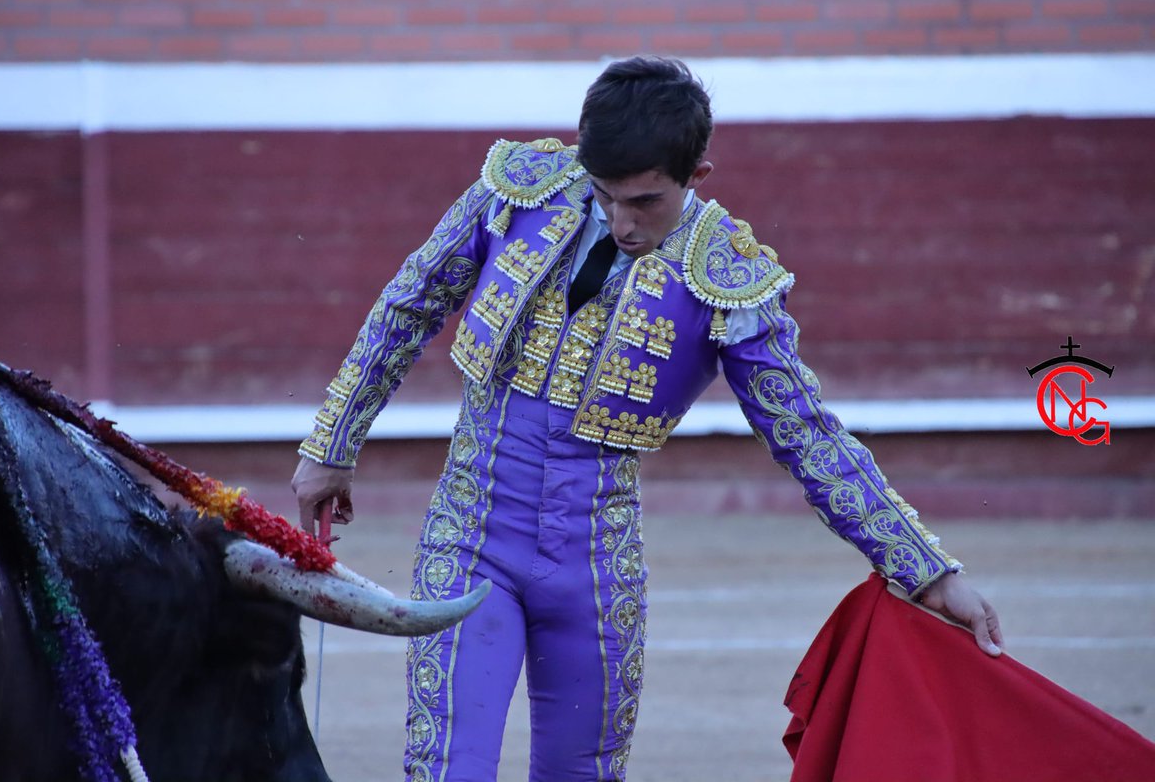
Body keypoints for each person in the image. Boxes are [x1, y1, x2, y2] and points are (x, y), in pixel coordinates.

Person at [292, 56, 1004, 782]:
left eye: (645, 202)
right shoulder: (519, 190)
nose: (621, 222)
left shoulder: (726, 277)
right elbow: (410, 304)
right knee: (447, 769)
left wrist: (925, 570)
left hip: (596, 569)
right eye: (603, 195)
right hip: (471, 535)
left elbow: (807, 435)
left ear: (698, 175)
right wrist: (332, 444)